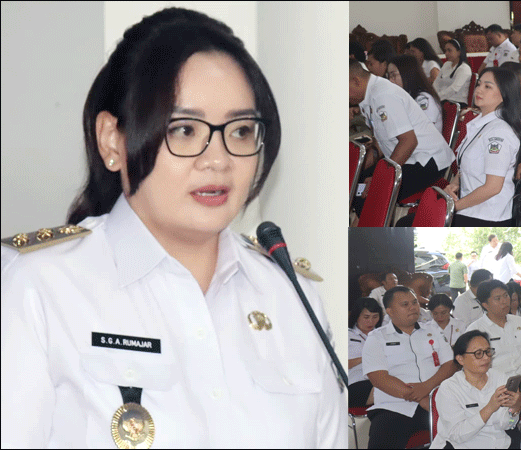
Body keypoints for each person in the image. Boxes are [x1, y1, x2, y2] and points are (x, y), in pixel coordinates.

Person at [3, 9, 344, 447]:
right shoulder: (37, 287)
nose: (218, 159)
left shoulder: (293, 298)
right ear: (112, 140)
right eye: (184, 130)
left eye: (241, 130)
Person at [364, 287, 458, 448]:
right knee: (382, 436)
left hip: (436, 401)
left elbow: (450, 364)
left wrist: (426, 389)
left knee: (463, 434)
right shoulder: (377, 338)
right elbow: (379, 378)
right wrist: (419, 397)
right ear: (390, 311)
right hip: (394, 406)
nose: (413, 307)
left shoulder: (433, 330)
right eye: (405, 304)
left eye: (414, 302)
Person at [349, 60, 454, 204]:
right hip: (406, 157)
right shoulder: (367, 96)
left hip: (426, 159)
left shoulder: (382, 95)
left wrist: (382, 176)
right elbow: (381, 141)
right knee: (355, 181)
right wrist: (360, 166)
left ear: (356, 81)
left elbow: (409, 142)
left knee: (370, 197)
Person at [444, 67, 521, 226]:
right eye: (479, 84)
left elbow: (492, 188)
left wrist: (452, 207)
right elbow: (468, 163)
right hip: (469, 208)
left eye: (488, 86)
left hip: (486, 216)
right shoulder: (479, 123)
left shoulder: (499, 133)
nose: (479, 90)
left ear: (504, 95)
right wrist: (455, 183)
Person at [430, 330, 521, 449]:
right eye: (478, 353)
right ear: (460, 359)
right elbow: (457, 435)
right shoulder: (449, 388)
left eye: (488, 352)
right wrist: (489, 408)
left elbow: (508, 425)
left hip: (499, 444)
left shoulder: (500, 378)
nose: (486, 358)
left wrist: (514, 409)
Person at [466, 280, 521, 381]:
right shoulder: (475, 330)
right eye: (498, 298)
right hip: (494, 382)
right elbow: (473, 365)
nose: (504, 301)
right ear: (485, 304)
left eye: (506, 295)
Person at [387, 54, 443, 134]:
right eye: (389, 76)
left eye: (393, 75)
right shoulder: (406, 97)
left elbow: (424, 131)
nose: (390, 80)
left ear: (407, 73)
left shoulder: (424, 99)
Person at [350, 297, 385, 408]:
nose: (371, 321)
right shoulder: (347, 335)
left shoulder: (383, 334)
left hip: (381, 378)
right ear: (357, 316)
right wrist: (366, 357)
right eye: (366, 317)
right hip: (356, 382)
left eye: (375, 317)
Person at [433, 38, 473, 105]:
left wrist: (437, 97)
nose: (446, 53)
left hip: (457, 102)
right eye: (445, 51)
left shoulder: (464, 68)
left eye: (449, 50)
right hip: (444, 99)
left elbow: (454, 89)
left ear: (459, 52)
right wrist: (433, 94)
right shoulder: (446, 65)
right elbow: (437, 82)